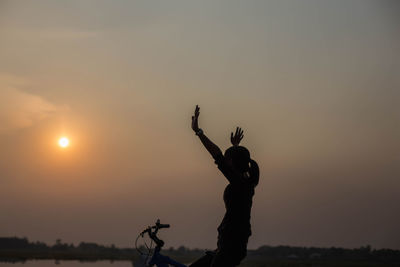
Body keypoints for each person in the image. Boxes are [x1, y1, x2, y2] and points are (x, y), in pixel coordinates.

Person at [189, 105, 259, 267]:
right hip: (226, 247)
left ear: (234, 163)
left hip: (230, 249)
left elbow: (217, 156)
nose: (226, 163)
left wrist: (198, 132)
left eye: (229, 160)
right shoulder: (244, 181)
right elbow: (232, 161)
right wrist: (235, 147)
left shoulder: (241, 185)